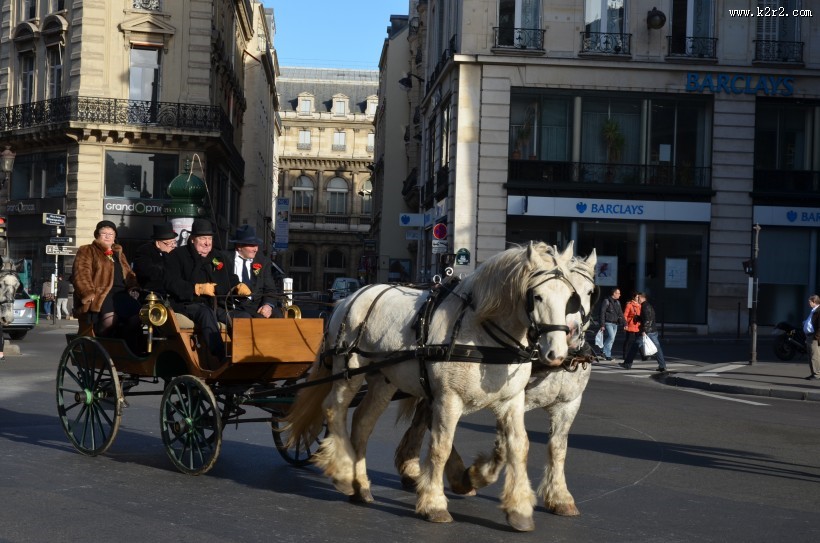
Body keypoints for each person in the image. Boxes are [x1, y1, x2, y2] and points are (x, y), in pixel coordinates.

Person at [164, 218, 250, 368]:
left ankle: (245, 357)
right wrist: (196, 288)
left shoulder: (218, 256)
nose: (207, 243)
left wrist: (237, 286)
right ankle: (221, 358)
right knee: (205, 313)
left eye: (209, 238)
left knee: (243, 316)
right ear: (192, 239)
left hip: (217, 305)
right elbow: (170, 282)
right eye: (203, 238)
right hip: (189, 304)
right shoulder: (177, 255)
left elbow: (229, 278)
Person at [72, 220, 141, 339]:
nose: (107, 236)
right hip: (101, 294)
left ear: (115, 237)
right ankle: (101, 343)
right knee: (109, 321)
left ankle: (123, 344)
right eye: (104, 233)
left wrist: (133, 287)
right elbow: (81, 273)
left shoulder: (119, 254)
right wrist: (87, 292)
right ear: (97, 235)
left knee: (137, 318)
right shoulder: (87, 250)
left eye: (111, 234)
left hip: (121, 293)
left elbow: (129, 273)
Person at [223, 225, 278, 318]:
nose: (256, 249)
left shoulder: (263, 262)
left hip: (256, 306)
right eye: (252, 245)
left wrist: (268, 305)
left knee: (278, 316)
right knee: (248, 318)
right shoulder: (224, 259)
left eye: (256, 245)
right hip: (233, 307)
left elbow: (270, 289)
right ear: (239, 246)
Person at [620, 292, 667, 372]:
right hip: (652, 330)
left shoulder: (645, 306)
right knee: (657, 348)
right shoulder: (647, 305)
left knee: (635, 346)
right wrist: (638, 318)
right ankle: (662, 366)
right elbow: (647, 318)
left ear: (642, 298)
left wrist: (644, 330)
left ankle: (627, 364)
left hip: (648, 331)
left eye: (638, 298)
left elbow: (648, 320)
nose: (637, 299)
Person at [133, 223, 177, 296]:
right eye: (169, 243)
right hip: (152, 293)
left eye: (174, 242)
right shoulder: (145, 251)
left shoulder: (175, 252)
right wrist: (165, 256)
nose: (173, 246)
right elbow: (149, 272)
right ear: (158, 244)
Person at [598, 287, 625, 361]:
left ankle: (605, 353)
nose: (620, 295)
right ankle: (605, 352)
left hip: (615, 323)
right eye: (618, 293)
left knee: (612, 339)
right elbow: (602, 313)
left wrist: (625, 323)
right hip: (608, 323)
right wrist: (602, 325)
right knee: (611, 337)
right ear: (614, 293)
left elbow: (621, 313)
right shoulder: (606, 301)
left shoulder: (618, 302)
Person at [803, 294, 820, 380]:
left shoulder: (818, 310)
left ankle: (817, 374)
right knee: (810, 356)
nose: (808, 303)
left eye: (810, 301)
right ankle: (813, 373)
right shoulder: (813, 310)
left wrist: (816, 337)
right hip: (809, 336)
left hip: (814, 337)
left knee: (815, 356)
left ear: (814, 302)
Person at [622, 291, 642, 362]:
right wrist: (625, 324)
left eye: (639, 297)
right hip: (630, 325)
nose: (638, 298)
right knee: (628, 340)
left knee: (639, 340)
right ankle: (625, 355)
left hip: (638, 325)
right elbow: (625, 315)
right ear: (633, 297)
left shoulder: (640, 305)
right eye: (637, 297)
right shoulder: (629, 305)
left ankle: (642, 355)